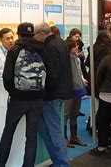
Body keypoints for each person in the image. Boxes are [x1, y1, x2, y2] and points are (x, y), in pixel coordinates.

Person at [0, 23, 46, 167]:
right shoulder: (42, 50)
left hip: (18, 99)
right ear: (33, 35)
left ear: (19, 34)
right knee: (31, 137)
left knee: (8, 132)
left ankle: (0, 164)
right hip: (37, 99)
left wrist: (14, 92)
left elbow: (7, 76)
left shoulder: (14, 51)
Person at [34, 22, 73, 167]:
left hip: (51, 94)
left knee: (54, 132)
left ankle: (62, 164)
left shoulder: (49, 47)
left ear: (41, 33)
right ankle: (58, 162)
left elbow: (52, 74)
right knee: (46, 130)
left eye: (35, 36)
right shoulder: (60, 42)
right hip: (60, 92)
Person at [64, 37, 88, 148]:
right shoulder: (65, 60)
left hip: (78, 89)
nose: (77, 47)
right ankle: (64, 138)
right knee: (66, 114)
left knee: (75, 113)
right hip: (69, 90)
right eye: (75, 46)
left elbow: (79, 72)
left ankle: (74, 137)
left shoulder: (76, 59)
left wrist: (82, 80)